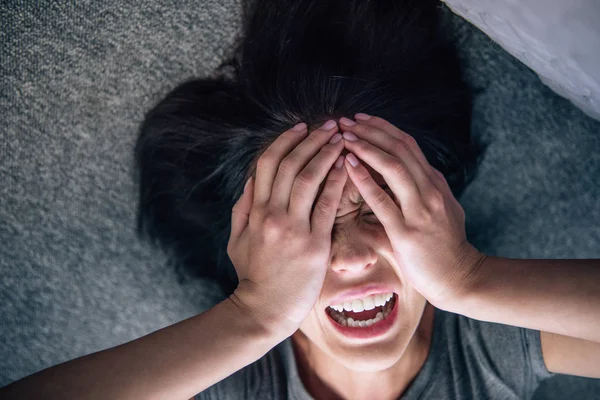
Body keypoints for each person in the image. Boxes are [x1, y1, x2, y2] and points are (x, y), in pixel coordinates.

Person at [1, 0, 599, 399]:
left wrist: (473, 279)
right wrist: (252, 315)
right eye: (307, 222)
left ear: (436, 212)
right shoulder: (238, 377)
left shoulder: (488, 341)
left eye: (378, 205)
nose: (349, 257)